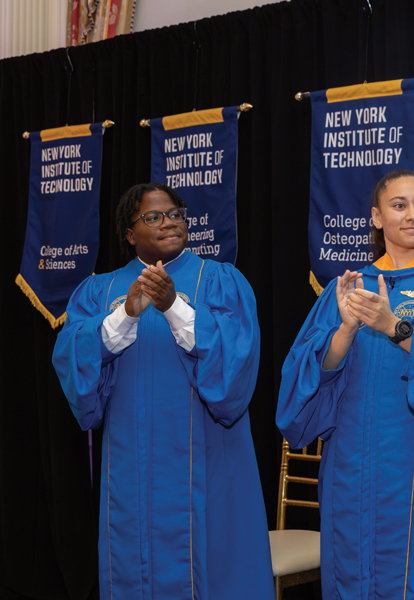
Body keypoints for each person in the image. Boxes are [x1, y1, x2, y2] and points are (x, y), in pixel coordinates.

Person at [277, 169, 414, 599]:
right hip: (352, 474)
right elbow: (298, 392)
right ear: (377, 218)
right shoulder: (347, 289)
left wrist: (392, 325)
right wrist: (344, 330)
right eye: (399, 205)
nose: (413, 214)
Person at [52, 183, 274, 600]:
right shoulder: (102, 291)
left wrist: (173, 306)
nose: (169, 222)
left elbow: (237, 364)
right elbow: (71, 355)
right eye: (152, 217)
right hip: (132, 470)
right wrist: (126, 314)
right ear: (129, 233)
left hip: (211, 463)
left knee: (217, 571)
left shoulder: (220, 281)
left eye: (175, 213)